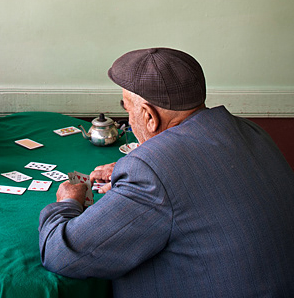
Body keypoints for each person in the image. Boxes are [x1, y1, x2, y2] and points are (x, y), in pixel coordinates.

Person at [39, 47, 294, 298]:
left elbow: (62, 254)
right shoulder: (250, 130)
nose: (127, 118)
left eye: (127, 109)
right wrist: (131, 173)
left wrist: (68, 201)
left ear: (150, 116)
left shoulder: (152, 172)